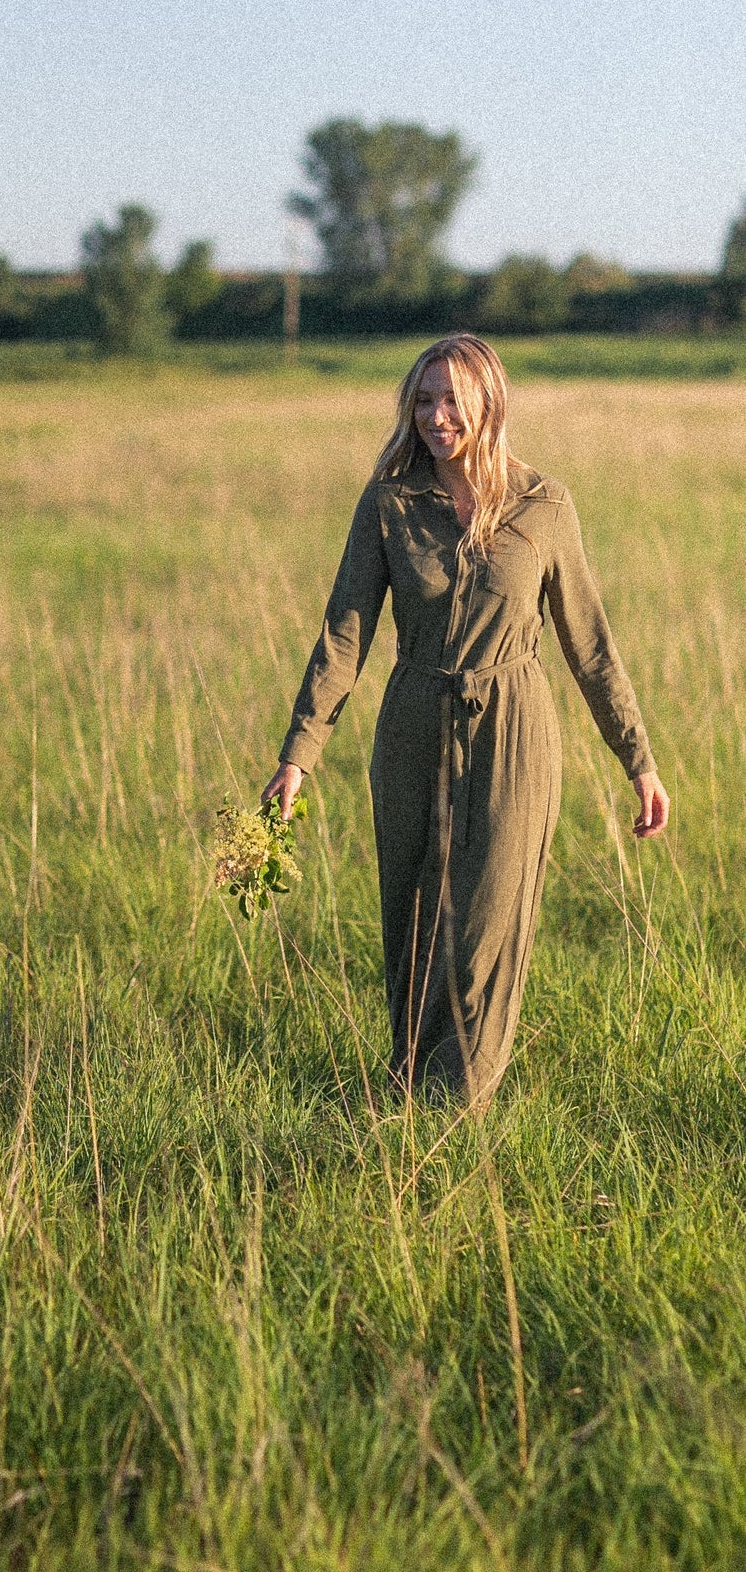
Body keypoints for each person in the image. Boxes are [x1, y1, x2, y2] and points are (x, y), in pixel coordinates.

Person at [261, 334, 669, 1105]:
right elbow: (343, 636)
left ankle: (457, 1107)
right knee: (413, 923)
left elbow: (590, 644)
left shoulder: (544, 505)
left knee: (485, 928)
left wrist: (637, 760)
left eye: (451, 398)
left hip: (513, 728)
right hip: (412, 723)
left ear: (488, 403)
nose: (435, 416)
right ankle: (408, 1086)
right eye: (422, 399)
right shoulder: (387, 505)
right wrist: (298, 755)